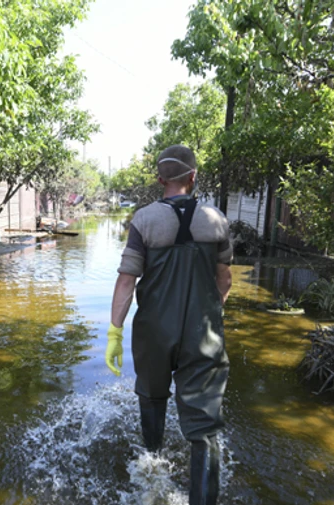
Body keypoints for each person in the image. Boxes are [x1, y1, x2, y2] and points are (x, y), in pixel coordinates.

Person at [106, 145, 233, 505]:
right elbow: (224, 280)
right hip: (203, 334)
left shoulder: (144, 220)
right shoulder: (216, 220)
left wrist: (115, 331)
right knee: (205, 429)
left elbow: (126, 281)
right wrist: (209, 314)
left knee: (151, 398)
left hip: (153, 334)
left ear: (160, 179)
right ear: (193, 178)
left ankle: (152, 467)